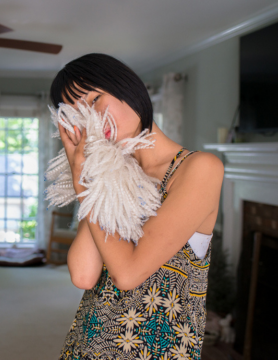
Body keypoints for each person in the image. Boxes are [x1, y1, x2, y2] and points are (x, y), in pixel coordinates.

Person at [50, 53, 224, 360]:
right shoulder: (106, 177)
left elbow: (128, 274)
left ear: (127, 87)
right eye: (79, 115)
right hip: (88, 346)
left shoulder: (199, 168)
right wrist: (89, 181)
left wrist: (82, 182)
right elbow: (84, 275)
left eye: (94, 100)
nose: (92, 120)